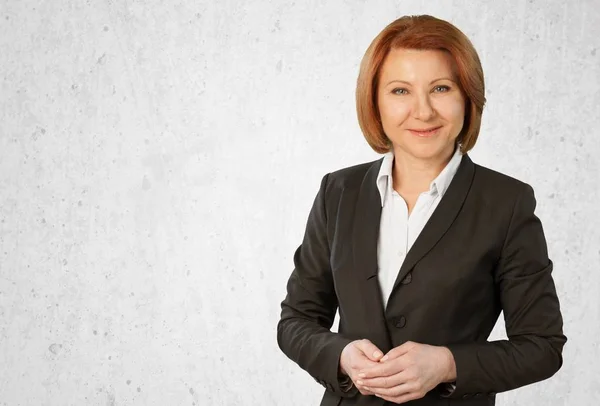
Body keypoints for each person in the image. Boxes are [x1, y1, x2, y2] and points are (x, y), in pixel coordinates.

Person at [276, 14, 566, 406]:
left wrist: (448, 364)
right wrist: (341, 356)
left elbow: (542, 346)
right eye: (400, 91)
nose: (423, 111)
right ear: (375, 101)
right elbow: (296, 321)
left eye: (441, 88)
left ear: (468, 97)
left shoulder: (507, 203)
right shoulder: (338, 191)